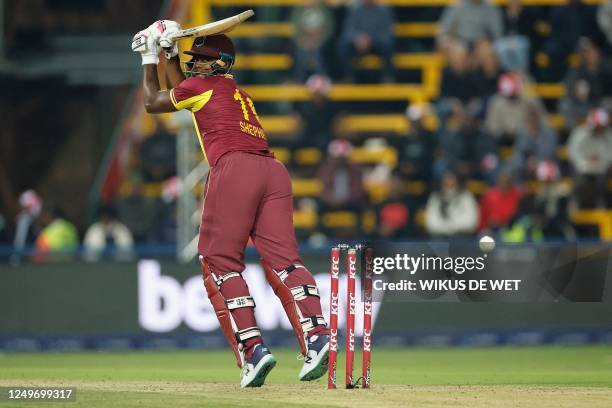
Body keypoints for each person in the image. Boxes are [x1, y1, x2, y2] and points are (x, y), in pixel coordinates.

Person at [131, 21, 329, 388]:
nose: (195, 66)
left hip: (235, 169)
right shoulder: (233, 91)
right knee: (285, 262)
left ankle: (253, 350)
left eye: (200, 60)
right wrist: (170, 53)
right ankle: (318, 338)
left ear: (217, 63)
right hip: (273, 170)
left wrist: (148, 56)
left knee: (218, 262)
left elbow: (152, 102)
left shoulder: (202, 86)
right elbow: (181, 90)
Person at [338, 0, 395, 82]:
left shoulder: (384, 10)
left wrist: (370, 39)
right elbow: (348, 30)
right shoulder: (355, 9)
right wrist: (358, 37)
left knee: (389, 44)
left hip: (377, 43)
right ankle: (348, 76)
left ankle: (387, 77)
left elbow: (387, 32)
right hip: (358, 42)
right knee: (343, 45)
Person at [567, 108, 612, 208]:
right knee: (580, 180)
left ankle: (601, 204)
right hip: (583, 168)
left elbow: (610, 157)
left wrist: (601, 162)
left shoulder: (609, 136)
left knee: (602, 181)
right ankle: (576, 203)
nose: (600, 129)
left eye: (602, 126)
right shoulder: (579, 134)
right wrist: (585, 162)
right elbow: (573, 153)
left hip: (603, 169)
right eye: (598, 126)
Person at [425, 171, 479, 238]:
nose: (448, 182)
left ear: (457, 181)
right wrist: (447, 228)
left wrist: (453, 227)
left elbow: (471, 222)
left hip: (463, 237)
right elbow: (431, 224)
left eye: (451, 179)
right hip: (440, 238)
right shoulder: (435, 198)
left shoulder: (466, 197)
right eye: (446, 179)